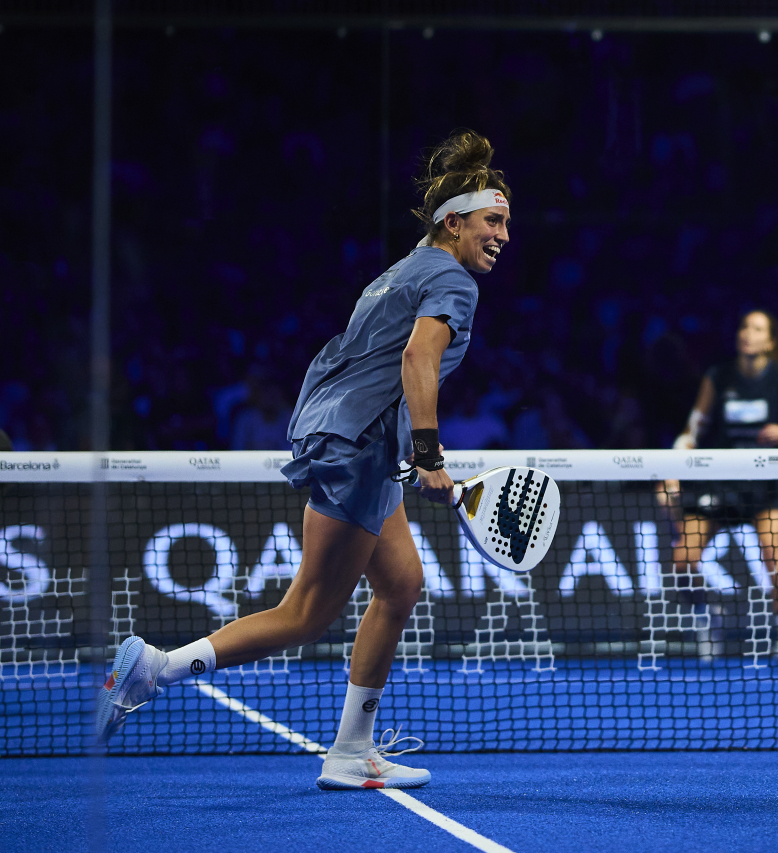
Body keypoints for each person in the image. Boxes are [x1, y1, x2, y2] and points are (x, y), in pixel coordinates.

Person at [95, 130, 512, 791]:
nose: (503, 235)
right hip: (357, 446)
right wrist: (429, 451)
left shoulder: (402, 270)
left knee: (401, 584)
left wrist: (403, 447)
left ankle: (352, 746)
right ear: (454, 221)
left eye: (506, 222)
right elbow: (416, 360)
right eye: (493, 220)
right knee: (308, 611)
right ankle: (156, 667)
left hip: (348, 436)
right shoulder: (453, 281)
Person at [659, 310, 778, 666]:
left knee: (772, 552)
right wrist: (671, 467)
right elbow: (694, 428)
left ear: (770, 341)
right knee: (682, 561)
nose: (748, 333)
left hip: (764, 484)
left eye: (757, 329)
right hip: (721, 480)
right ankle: (707, 617)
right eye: (744, 326)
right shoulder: (719, 376)